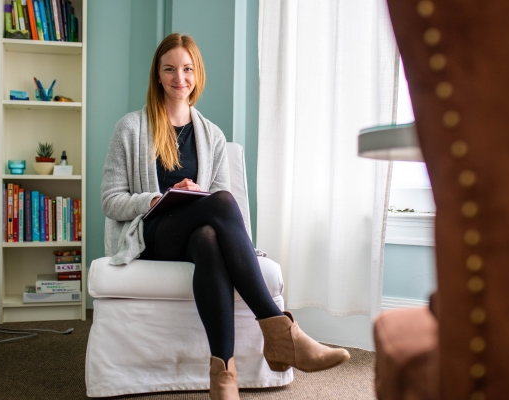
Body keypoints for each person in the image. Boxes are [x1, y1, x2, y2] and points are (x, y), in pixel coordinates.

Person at [100, 33, 350, 400]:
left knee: (210, 238)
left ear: (197, 74)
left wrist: (193, 198)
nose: (178, 78)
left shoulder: (212, 137)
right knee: (221, 202)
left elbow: (215, 207)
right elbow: (111, 200)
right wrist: (158, 198)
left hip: (192, 237)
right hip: (150, 236)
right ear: (157, 75)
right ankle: (281, 332)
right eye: (169, 69)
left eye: (187, 69)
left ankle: (224, 377)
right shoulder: (130, 129)